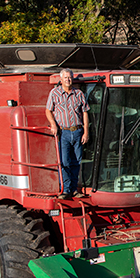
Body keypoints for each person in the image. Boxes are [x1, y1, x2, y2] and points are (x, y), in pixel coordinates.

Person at [45, 68, 89, 199]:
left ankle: (75, 189)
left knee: (77, 161)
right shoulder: (54, 93)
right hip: (63, 132)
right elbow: (48, 111)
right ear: (61, 79)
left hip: (77, 131)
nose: (68, 80)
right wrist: (53, 124)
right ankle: (65, 189)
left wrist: (86, 132)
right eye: (65, 78)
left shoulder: (79, 94)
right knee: (64, 162)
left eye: (70, 77)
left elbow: (85, 113)